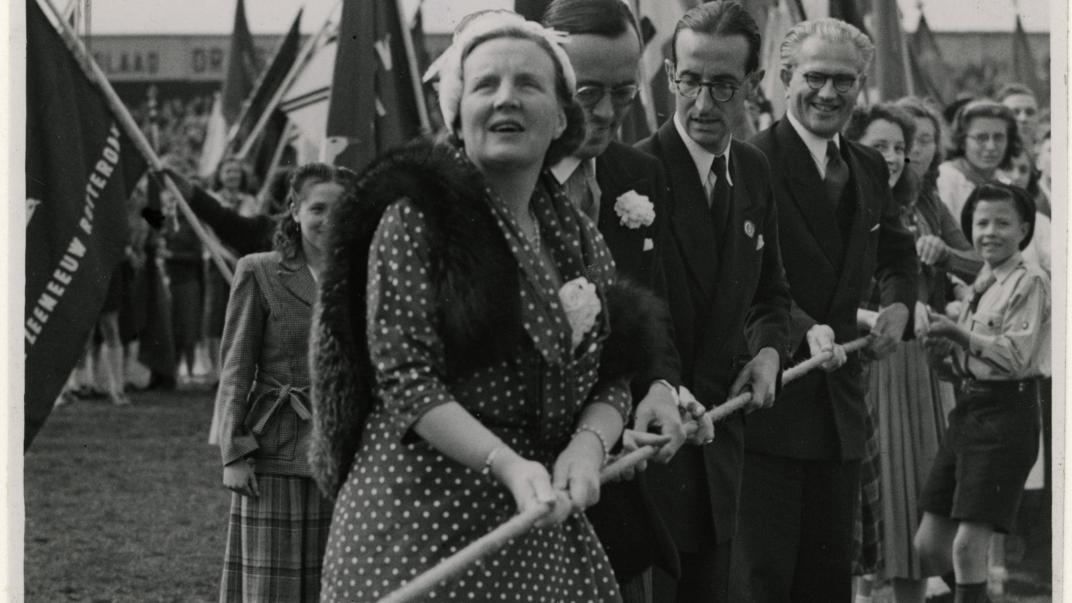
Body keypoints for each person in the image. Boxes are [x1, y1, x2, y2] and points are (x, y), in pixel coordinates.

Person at [310, 10, 669, 601]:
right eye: (485, 85)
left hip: (540, 531)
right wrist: (507, 463)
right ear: (458, 114)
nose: (506, 98)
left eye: (527, 84)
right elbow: (405, 380)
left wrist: (589, 444)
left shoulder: (578, 237)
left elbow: (614, 376)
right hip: (415, 522)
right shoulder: (415, 218)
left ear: (561, 119)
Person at [733, 18, 919, 601]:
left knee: (828, 581)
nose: (829, 93)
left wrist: (898, 307)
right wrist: (804, 327)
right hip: (770, 403)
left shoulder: (866, 166)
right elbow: (739, 281)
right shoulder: (747, 162)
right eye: (816, 77)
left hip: (841, 414)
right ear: (785, 78)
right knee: (764, 581)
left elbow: (896, 250)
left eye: (846, 81)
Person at [634, 3, 792, 600]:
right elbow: (629, 320)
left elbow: (771, 294)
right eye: (690, 80)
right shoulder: (634, 171)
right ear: (671, 73)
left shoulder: (752, 170)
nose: (702, 104)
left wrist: (771, 351)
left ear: (752, 86)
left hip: (721, 455)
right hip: (651, 453)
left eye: (724, 86)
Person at [541, 0, 688, 597]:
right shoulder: (500, 180)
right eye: (586, 94)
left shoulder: (640, 175)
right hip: (530, 473)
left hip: (618, 474)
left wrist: (659, 387)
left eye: (624, 93)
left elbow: (654, 314)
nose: (607, 113)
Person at [846, 100, 983, 603]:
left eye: (901, 147)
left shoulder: (924, 204)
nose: (895, 157)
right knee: (874, 496)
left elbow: (981, 269)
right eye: (879, 146)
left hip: (923, 368)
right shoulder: (840, 200)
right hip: (871, 359)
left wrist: (945, 256)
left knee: (920, 497)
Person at [216, 162, 352, 601]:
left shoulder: (365, 277)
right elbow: (236, 369)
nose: (328, 220)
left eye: (341, 208)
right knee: (271, 589)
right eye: (317, 208)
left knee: (334, 585)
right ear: (293, 210)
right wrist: (233, 454)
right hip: (273, 452)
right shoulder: (259, 270)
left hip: (342, 454)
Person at [915, 183, 1048, 603]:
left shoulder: (1031, 280)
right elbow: (967, 363)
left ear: (1024, 228)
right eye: (981, 222)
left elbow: (1013, 355)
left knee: (968, 547)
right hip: (969, 410)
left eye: (1003, 223)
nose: (990, 232)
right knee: (930, 546)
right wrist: (941, 355)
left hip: (1007, 414)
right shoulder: (982, 279)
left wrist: (956, 330)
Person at [204, 158, 258, 383]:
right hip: (217, 262)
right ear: (220, 175)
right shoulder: (212, 201)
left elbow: (253, 230)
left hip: (244, 263)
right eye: (228, 171)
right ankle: (217, 372)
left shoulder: (251, 201)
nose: (232, 176)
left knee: (242, 316)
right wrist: (228, 258)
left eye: (236, 171)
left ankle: (239, 370)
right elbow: (208, 235)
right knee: (215, 317)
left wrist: (242, 259)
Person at [936, 100, 1021, 223]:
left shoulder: (1007, 183)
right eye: (981, 138)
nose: (991, 146)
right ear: (962, 140)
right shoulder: (945, 179)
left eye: (998, 138)